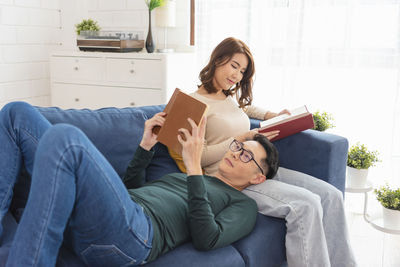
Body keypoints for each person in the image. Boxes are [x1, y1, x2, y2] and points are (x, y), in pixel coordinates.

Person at [0, 101, 279, 266]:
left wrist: (194, 167)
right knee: (16, 113)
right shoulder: (185, 178)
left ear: (258, 177)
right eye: (237, 147)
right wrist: (146, 146)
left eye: (246, 155)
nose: (235, 153)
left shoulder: (243, 206)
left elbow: (208, 238)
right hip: (111, 216)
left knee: (66, 139)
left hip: (135, 237)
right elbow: (129, 191)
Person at [169, 37, 357, 267]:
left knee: (331, 196)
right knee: (305, 205)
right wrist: (242, 138)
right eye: (233, 66)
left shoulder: (229, 96)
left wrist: (272, 115)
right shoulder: (192, 103)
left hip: (255, 165)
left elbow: (245, 108)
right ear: (217, 60)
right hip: (228, 178)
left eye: (242, 71)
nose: (237, 75)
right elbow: (198, 156)